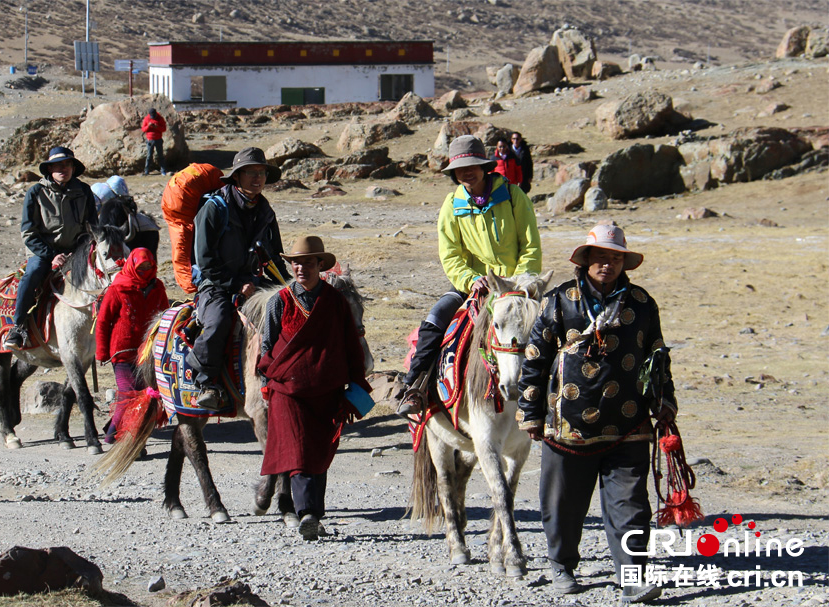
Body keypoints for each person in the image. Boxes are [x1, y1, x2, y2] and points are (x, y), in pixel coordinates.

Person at [516, 223, 676, 603]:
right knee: (564, 503)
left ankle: (633, 576)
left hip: (629, 423)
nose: (608, 264)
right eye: (601, 256)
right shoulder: (558, 301)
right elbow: (535, 358)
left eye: (616, 257)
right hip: (566, 426)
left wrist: (664, 401)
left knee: (633, 505)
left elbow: (657, 355)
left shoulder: (641, 302)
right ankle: (562, 566)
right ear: (586, 260)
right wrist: (531, 413)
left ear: (625, 263)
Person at [396, 135, 542, 417]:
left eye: (472, 165)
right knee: (433, 323)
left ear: (484, 166)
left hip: (517, 286)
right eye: (460, 169)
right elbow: (451, 254)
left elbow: (531, 244)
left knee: (552, 327)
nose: (466, 172)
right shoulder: (452, 204)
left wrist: (521, 281)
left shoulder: (514, 196)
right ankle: (416, 387)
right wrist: (471, 279)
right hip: (473, 287)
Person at [258, 235, 371, 540]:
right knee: (299, 451)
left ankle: (313, 514)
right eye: (295, 263)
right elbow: (267, 349)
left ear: (320, 265)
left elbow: (350, 346)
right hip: (288, 391)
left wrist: (355, 386)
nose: (300, 268)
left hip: (326, 391)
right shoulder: (278, 303)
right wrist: (268, 384)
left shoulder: (334, 303)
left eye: (307, 262)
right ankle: (307, 512)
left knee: (320, 452)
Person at [189, 147, 290, 410]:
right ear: (236, 177)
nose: (258, 179)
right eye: (251, 173)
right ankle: (205, 380)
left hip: (254, 282)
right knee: (218, 321)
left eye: (262, 173)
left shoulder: (266, 212)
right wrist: (234, 284)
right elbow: (204, 261)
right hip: (216, 284)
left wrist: (290, 286)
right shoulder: (214, 208)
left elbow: (275, 257)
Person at [4, 146, 98, 350]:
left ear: (73, 167)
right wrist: (52, 256)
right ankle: (18, 327)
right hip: (43, 252)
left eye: (66, 164)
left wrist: (81, 251)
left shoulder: (84, 191)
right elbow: (29, 233)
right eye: (57, 165)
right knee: (33, 274)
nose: (62, 168)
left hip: (77, 251)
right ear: (49, 169)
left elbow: (92, 227)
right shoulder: (36, 193)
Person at [96, 247, 169, 442]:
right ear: (132, 265)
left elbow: (164, 315)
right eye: (141, 266)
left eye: (149, 266)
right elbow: (103, 321)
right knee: (129, 394)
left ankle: (119, 432)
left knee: (143, 395)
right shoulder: (118, 288)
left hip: (146, 353)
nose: (145, 270)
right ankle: (117, 436)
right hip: (122, 352)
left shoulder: (158, 288)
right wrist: (102, 352)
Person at [141, 108, 167, 175]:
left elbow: (164, 129)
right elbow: (143, 129)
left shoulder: (160, 118)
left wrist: (157, 127)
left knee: (160, 155)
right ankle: (146, 170)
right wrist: (148, 126)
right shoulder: (146, 119)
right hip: (150, 140)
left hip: (158, 139)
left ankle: (163, 170)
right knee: (149, 155)